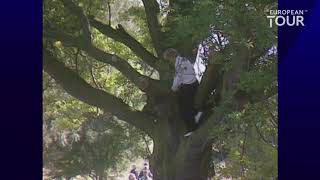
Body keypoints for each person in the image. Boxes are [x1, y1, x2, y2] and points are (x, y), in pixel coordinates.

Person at [163, 48, 203, 137]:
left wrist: (173, 88)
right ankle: (197, 113)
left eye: (169, 59)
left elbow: (178, 77)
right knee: (187, 103)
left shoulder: (179, 63)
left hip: (189, 86)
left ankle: (192, 128)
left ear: (172, 56)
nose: (169, 62)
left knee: (184, 108)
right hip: (193, 83)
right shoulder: (183, 60)